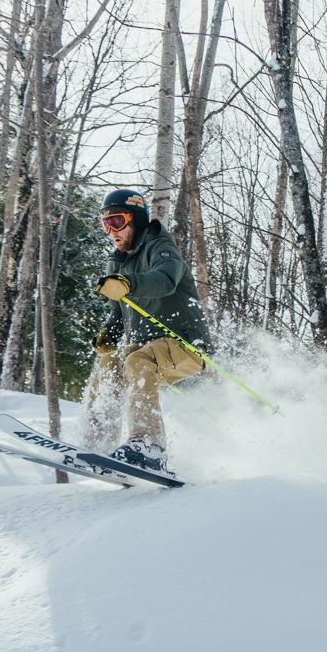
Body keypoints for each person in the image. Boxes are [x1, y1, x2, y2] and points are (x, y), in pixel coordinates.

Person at [85, 188, 213, 476]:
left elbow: (165, 279)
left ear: (137, 219)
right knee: (109, 364)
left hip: (186, 346)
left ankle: (150, 446)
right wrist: (110, 333)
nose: (111, 231)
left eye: (117, 221)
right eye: (105, 224)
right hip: (146, 346)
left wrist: (129, 283)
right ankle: (98, 444)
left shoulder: (161, 247)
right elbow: (120, 310)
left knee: (137, 361)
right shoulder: (119, 261)